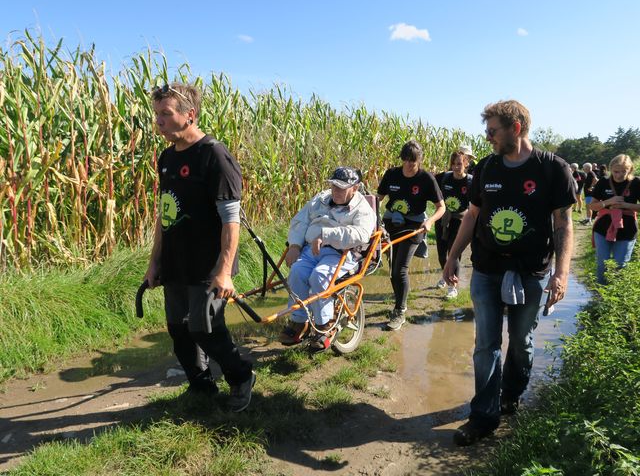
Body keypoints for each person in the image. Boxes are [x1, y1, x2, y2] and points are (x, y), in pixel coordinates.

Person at [442, 100, 576, 446]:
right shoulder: (486, 168)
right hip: (487, 268)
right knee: (485, 344)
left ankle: (511, 392)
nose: (488, 138)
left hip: (531, 273)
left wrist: (561, 274)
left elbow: (563, 225)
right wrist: (453, 256)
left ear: (515, 128)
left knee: (520, 341)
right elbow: (471, 216)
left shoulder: (552, 169)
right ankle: (483, 416)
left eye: (492, 131)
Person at [145, 82, 255, 412]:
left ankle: (240, 377)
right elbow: (164, 214)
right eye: (157, 115)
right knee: (178, 329)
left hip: (209, 264)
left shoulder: (214, 156)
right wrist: (155, 262)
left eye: (166, 114)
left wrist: (224, 270)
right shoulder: (166, 157)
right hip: (176, 261)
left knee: (204, 327)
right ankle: (201, 385)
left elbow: (230, 221)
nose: (159, 122)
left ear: (189, 115)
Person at [279, 167, 377, 350]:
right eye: (333, 186)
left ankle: (325, 325)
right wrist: (294, 245)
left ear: (355, 188)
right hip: (311, 249)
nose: (336, 191)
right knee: (297, 272)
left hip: (342, 253)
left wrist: (326, 235)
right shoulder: (320, 199)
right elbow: (301, 221)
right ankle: (299, 322)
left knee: (320, 276)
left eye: (342, 188)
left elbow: (361, 234)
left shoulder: (362, 208)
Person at [377, 140, 445, 330]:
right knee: (392, 268)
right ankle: (399, 300)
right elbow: (378, 199)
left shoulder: (426, 179)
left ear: (419, 161)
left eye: (413, 162)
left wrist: (429, 221)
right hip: (391, 226)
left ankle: (400, 311)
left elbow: (441, 207)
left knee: (400, 268)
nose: (408, 166)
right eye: (405, 161)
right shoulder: (391, 175)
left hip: (414, 227)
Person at [587, 154, 640, 284]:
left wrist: (626, 205)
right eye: (616, 171)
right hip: (603, 228)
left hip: (627, 228)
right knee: (602, 263)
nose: (619, 175)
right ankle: (601, 297)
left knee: (620, 264)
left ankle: (617, 296)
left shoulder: (636, 183)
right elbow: (592, 206)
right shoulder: (604, 182)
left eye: (624, 171)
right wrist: (608, 202)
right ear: (611, 169)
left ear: (630, 170)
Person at [435, 150, 473, 298]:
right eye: (454, 164)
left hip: (460, 220)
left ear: (465, 163)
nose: (456, 167)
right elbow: (428, 183)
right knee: (441, 254)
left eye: (459, 163)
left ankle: (453, 286)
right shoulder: (444, 178)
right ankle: (445, 275)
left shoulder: (470, 181)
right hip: (443, 219)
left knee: (454, 253)